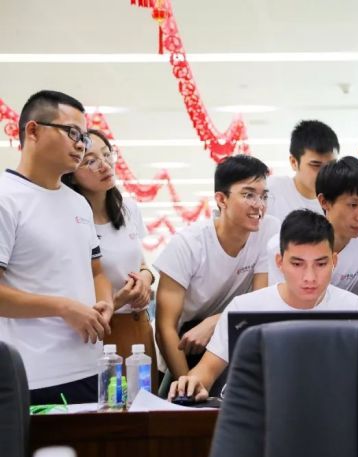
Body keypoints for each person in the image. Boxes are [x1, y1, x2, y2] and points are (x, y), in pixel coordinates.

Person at [168, 209, 358, 401]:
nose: (309, 277)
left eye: (321, 264)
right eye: (297, 264)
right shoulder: (245, 308)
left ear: (334, 261)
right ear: (280, 262)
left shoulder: (354, 310)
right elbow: (207, 369)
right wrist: (193, 382)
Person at [0, 90, 113, 404]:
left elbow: (96, 272)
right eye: (72, 132)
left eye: (84, 137)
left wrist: (105, 302)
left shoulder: (78, 203)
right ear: (33, 130)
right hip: (34, 375)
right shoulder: (6, 198)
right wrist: (63, 307)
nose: (81, 144)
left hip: (90, 367)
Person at [154, 155, 279, 381]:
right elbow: (165, 329)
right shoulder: (188, 244)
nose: (259, 205)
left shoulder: (268, 229)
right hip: (183, 346)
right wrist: (187, 385)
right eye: (248, 195)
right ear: (221, 199)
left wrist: (217, 322)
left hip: (232, 335)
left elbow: (260, 304)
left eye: (263, 196)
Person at [61, 129, 158, 389]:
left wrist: (146, 279)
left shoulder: (129, 209)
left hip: (139, 325)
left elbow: (141, 263)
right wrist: (118, 300)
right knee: (111, 405)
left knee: (146, 405)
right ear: (72, 173)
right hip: (101, 332)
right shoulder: (73, 221)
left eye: (106, 155)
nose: (104, 165)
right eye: (90, 161)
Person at [268, 157, 358, 319]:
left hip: (352, 327)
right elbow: (281, 308)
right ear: (324, 201)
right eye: (353, 205)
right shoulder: (284, 245)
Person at [265, 120, 339, 222]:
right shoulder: (271, 191)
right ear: (294, 162)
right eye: (316, 165)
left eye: (331, 165)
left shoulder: (339, 200)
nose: (325, 172)